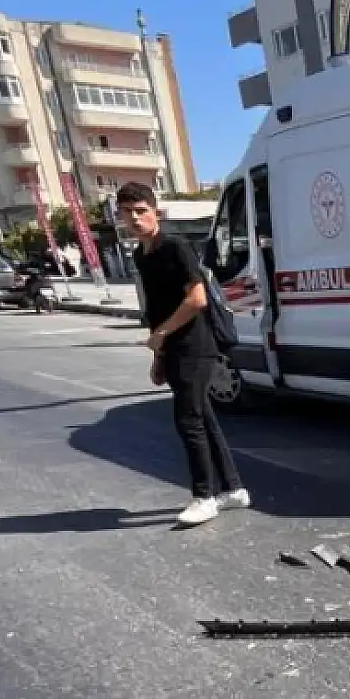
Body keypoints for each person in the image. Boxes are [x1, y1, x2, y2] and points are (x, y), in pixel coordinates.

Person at [117, 180, 248, 526]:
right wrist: (158, 356)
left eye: (141, 211)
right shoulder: (140, 255)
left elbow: (197, 299)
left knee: (188, 420)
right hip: (172, 348)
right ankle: (233, 489)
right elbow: (158, 308)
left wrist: (161, 334)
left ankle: (204, 497)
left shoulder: (176, 246)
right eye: (128, 213)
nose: (135, 219)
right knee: (202, 417)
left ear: (155, 212)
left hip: (196, 346)